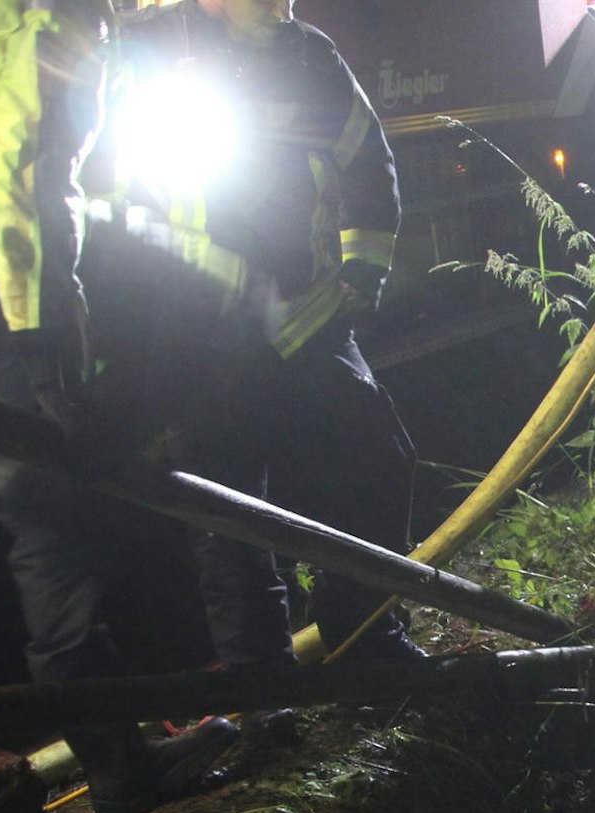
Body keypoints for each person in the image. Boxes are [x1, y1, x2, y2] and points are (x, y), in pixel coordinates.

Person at [0, 0, 239, 813]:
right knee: (55, 530)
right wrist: (43, 332)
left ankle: (123, 734)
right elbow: (26, 169)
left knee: (32, 508)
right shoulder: (49, 11)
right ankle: (121, 772)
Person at [87, 0, 424, 684]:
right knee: (226, 518)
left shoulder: (310, 55)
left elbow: (365, 158)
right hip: (200, 336)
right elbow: (107, 197)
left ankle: (363, 637)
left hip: (306, 317)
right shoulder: (152, 48)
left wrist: (362, 270)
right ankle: (264, 690)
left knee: (376, 465)